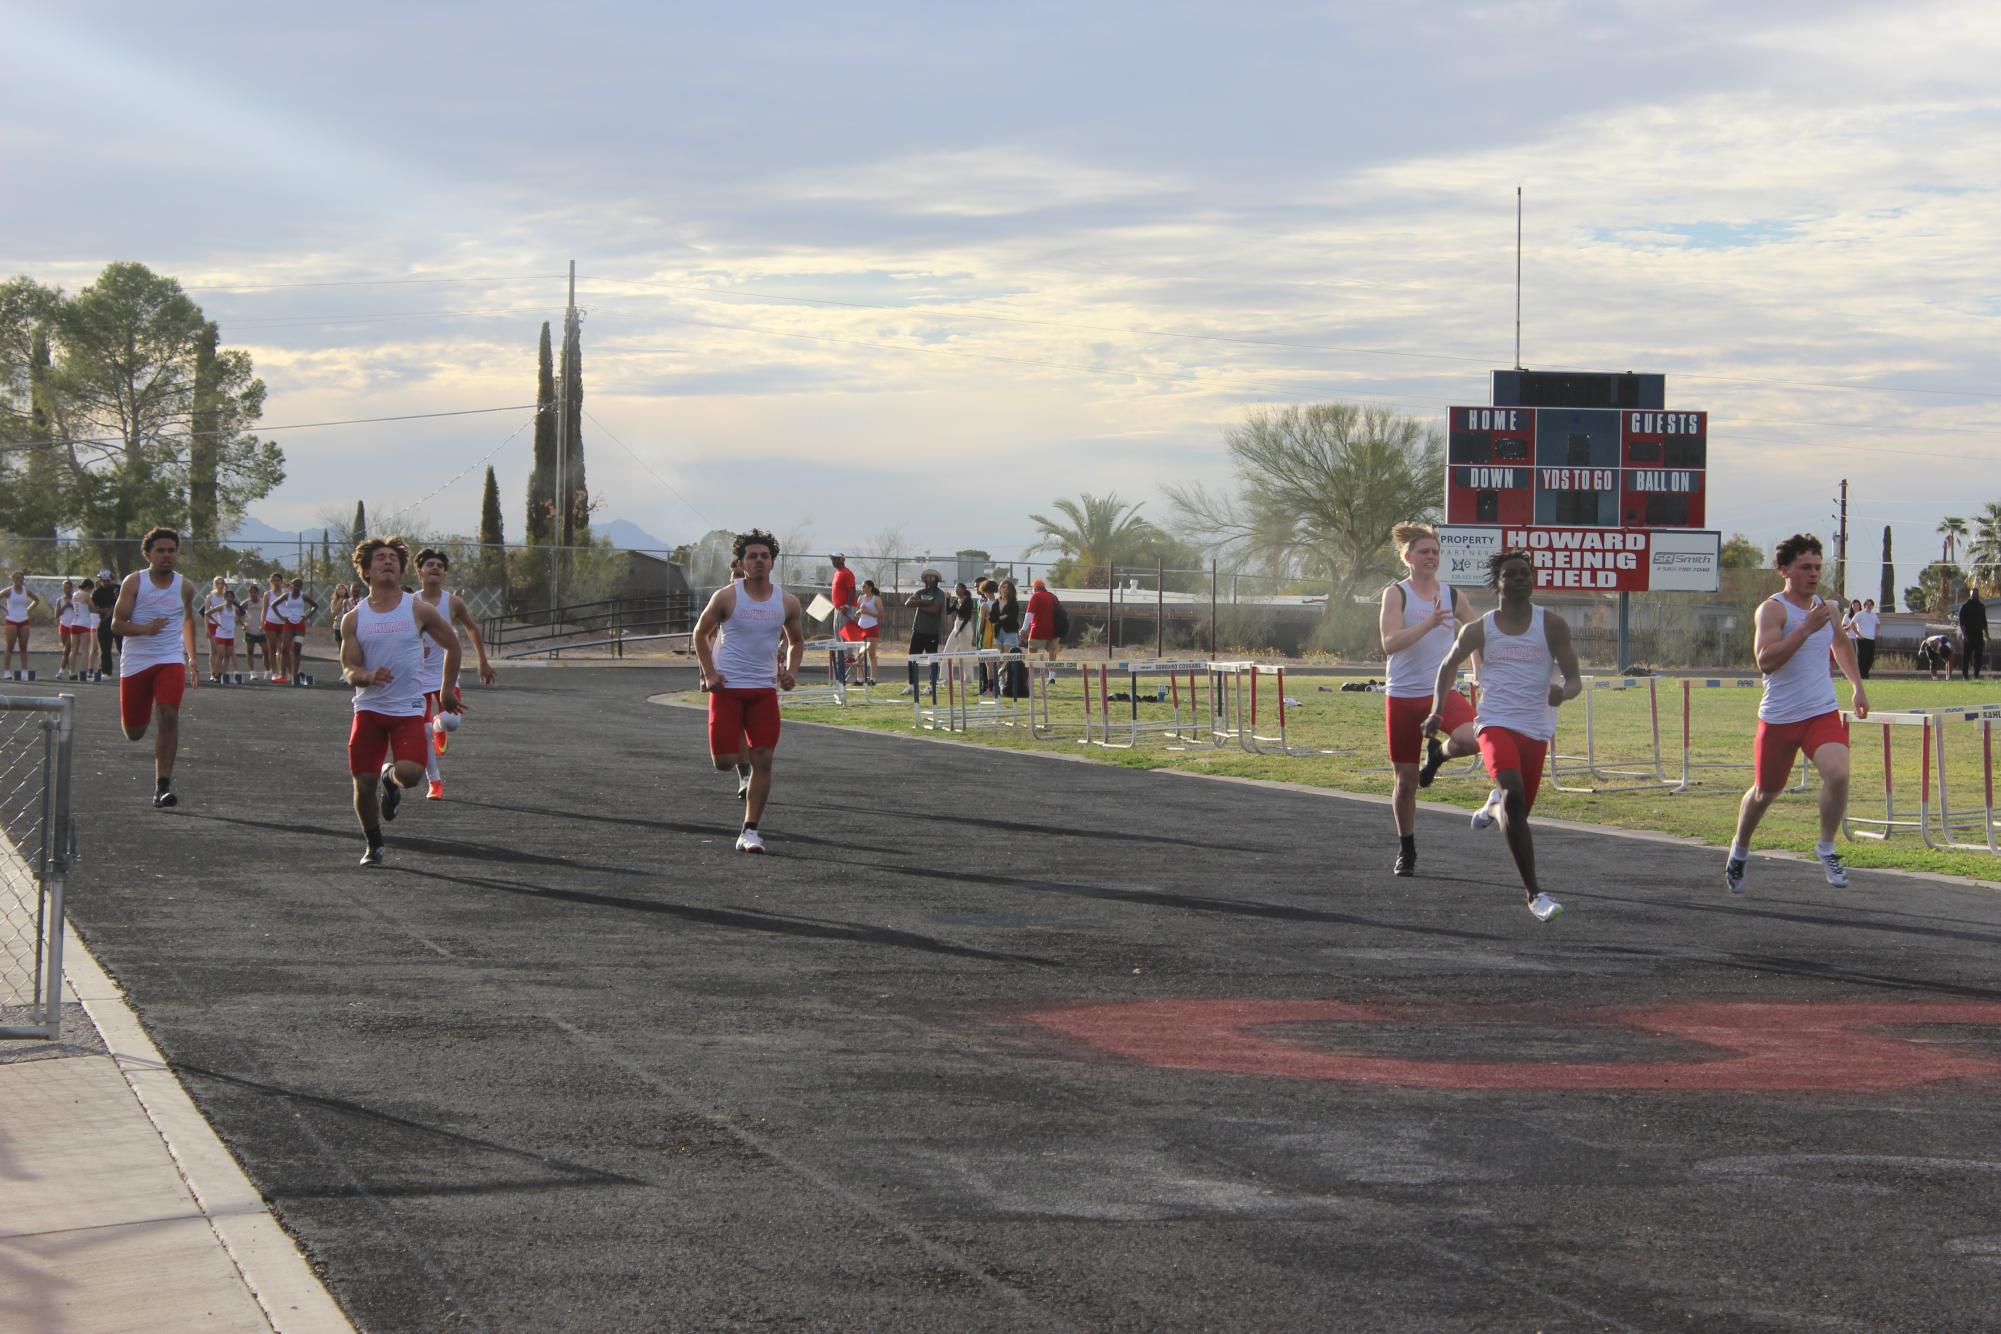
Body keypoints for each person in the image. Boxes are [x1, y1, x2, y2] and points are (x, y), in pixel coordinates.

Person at [1426, 549, 1582, 921]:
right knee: (1512, 790)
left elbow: (1574, 677)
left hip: (1536, 727)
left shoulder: (1553, 625)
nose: (1519, 580)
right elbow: (1448, 666)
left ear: (1534, 581)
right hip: (1494, 721)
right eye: (1510, 575)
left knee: (1518, 813)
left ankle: (1494, 806)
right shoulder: (1480, 628)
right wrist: (1437, 710)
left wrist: (1565, 692)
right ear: (1496, 584)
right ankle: (1535, 894)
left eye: (1525, 574)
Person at [1723, 534, 1870, 896]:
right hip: (1779, 718)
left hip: (1820, 712)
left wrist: (1857, 686)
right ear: (1784, 570)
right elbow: (1766, 661)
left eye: (1818, 567)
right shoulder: (1773, 610)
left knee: (1839, 773)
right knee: (1765, 792)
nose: (1813, 574)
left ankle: (1826, 845)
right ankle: (1740, 848)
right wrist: (1805, 628)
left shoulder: (1828, 608)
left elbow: (1840, 645)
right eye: (1805, 567)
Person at [340, 535, 462, 867]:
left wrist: (446, 690)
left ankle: (389, 778)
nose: (388, 561)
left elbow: (453, 645)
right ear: (366, 570)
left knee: (409, 775)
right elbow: (348, 668)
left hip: (407, 708)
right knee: (362, 784)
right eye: (380, 558)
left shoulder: (417, 609)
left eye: (393, 557)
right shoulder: (354, 618)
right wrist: (364, 676)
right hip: (368, 709)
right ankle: (373, 842)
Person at [693, 529, 804, 854]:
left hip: (763, 690)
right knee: (724, 761)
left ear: (772, 563)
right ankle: (738, 765)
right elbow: (701, 634)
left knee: (764, 759)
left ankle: (750, 831)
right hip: (727, 688)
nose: (759, 561)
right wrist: (709, 674)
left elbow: (797, 642)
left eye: (764, 556)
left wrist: (790, 673)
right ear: (742, 562)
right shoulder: (726, 597)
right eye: (752, 556)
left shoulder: (786, 601)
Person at [1379, 523, 1479, 877]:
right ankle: (1407, 848)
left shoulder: (1452, 596)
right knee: (1405, 783)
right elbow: (1389, 643)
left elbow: (1478, 634)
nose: (1431, 557)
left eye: (1435, 552)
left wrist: (1480, 674)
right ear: (1408, 557)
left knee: (1473, 738)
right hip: (1403, 696)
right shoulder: (1396, 594)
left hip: (1442, 693)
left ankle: (1438, 754)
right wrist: (1431, 623)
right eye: (1424, 552)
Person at [111, 527, 201, 808]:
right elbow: (116, 624)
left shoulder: (185, 586)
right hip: (137, 662)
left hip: (169, 659)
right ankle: (142, 711)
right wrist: (144, 629)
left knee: (168, 715)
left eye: (171, 550)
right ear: (148, 554)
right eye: (160, 551)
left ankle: (162, 786)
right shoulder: (134, 582)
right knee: (135, 732)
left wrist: (193, 657)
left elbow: (188, 621)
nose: (166, 556)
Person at [413, 548, 497, 799]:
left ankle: (439, 727)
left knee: (451, 722)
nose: (435, 568)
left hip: (445, 675)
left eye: (440, 565)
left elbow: (471, 629)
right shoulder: (411, 602)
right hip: (416, 676)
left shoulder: (453, 602)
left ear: (445, 573)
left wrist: (482, 661)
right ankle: (434, 782)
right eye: (430, 564)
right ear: (420, 571)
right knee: (422, 730)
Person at [904, 568, 948, 697]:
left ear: (937, 580)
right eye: (928, 578)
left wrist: (918, 604)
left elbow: (935, 609)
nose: (930, 580)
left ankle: (931, 686)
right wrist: (923, 602)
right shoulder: (920, 592)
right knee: (912, 657)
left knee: (932, 659)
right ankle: (911, 685)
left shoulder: (939, 594)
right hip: (917, 630)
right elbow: (908, 603)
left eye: (932, 578)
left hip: (931, 632)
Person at [3, 571, 47, 679]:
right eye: (16, 578)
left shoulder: (26, 591)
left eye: (21, 578)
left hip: (24, 620)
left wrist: (28, 609)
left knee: (23, 647)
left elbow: (36, 600)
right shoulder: (9, 591)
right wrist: (4, 609)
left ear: (23, 579)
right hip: (11, 620)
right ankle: (7, 672)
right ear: (13, 579)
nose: (19, 580)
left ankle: (24, 671)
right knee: (10, 647)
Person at [828, 552, 858, 684]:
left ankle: (849, 656)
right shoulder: (837, 573)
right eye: (832, 559)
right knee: (837, 631)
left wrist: (846, 605)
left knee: (844, 631)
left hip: (846, 607)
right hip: (838, 608)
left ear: (841, 560)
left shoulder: (847, 573)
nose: (832, 561)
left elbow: (852, 590)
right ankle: (842, 654)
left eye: (834, 559)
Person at [1024, 577, 1062, 680]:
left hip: (1037, 630)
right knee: (1052, 654)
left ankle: (1029, 677)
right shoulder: (1052, 596)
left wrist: (1023, 628)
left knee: (1032, 653)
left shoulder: (1036, 596)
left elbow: (1029, 614)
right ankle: (1052, 677)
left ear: (1035, 587)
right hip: (1053, 630)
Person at [283, 578, 320, 681]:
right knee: (284, 649)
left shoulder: (303, 596)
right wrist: (282, 616)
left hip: (299, 624)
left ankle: (295, 675)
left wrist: (307, 616)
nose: (297, 587)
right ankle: (289, 671)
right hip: (289, 623)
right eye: (295, 585)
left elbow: (315, 606)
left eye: (299, 585)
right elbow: (274, 605)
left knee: (297, 649)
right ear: (292, 585)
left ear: (301, 587)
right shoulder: (287, 596)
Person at [853, 579, 885, 685]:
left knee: (871, 654)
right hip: (861, 627)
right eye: (862, 586)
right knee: (860, 654)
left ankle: (873, 679)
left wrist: (868, 612)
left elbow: (881, 615)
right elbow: (857, 613)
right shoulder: (860, 598)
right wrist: (860, 611)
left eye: (864, 586)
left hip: (872, 627)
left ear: (870, 587)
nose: (862, 588)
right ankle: (859, 679)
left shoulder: (876, 599)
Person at [206, 585, 239, 682]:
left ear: (233, 598)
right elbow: (207, 613)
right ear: (225, 598)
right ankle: (215, 674)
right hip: (221, 634)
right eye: (228, 597)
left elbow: (238, 618)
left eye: (231, 597)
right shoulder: (221, 607)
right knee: (220, 655)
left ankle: (223, 674)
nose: (230, 599)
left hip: (230, 634)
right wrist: (215, 621)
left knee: (228, 655)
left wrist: (243, 624)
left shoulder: (234, 608)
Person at [262, 573, 292, 682]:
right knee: (272, 647)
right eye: (274, 580)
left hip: (283, 622)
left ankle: (286, 671)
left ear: (281, 581)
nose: (276, 582)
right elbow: (264, 609)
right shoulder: (268, 594)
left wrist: (288, 587)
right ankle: (274, 672)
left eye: (278, 580)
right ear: (271, 582)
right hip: (270, 622)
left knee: (284, 649)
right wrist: (262, 622)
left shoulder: (286, 593)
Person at [92, 568, 119, 677]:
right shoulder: (97, 592)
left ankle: (127, 670)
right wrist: (104, 610)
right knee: (105, 649)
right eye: (102, 580)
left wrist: (114, 609)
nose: (104, 582)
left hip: (119, 622)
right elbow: (93, 608)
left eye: (106, 580)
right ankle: (106, 672)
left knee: (122, 647)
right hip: (104, 623)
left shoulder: (118, 589)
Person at [1959, 589, 1989, 680]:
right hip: (1968, 634)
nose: (1975, 595)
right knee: (1967, 656)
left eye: (1977, 594)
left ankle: (1976, 675)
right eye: (1973, 594)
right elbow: (1962, 623)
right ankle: (1965, 675)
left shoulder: (1981, 606)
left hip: (1979, 635)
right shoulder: (1965, 606)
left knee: (1978, 656)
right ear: (1970, 594)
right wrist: (1964, 635)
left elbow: (1984, 622)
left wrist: (1987, 634)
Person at [241, 582, 269, 677]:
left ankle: (267, 671)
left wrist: (265, 624)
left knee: (266, 651)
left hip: (262, 630)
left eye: (254, 592)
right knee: (250, 651)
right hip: (250, 630)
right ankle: (252, 672)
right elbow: (236, 613)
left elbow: (268, 613)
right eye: (250, 592)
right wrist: (243, 624)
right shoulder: (246, 603)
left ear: (257, 592)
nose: (252, 594)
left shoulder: (263, 602)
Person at [942, 581, 977, 654]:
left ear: (963, 589)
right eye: (955, 589)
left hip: (965, 626)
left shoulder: (968, 600)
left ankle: (967, 666)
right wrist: (948, 599)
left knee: (965, 652)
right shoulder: (956, 600)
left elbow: (967, 618)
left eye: (958, 588)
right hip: (957, 626)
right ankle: (945, 665)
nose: (956, 590)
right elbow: (948, 611)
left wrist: (959, 631)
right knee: (948, 649)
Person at [1853, 598, 1880, 679]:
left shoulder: (1874, 615)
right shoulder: (1859, 614)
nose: (1869, 606)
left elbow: (1878, 624)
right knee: (1861, 658)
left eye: (1870, 604)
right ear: (1864, 605)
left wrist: (1877, 632)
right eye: (1867, 604)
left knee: (1870, 658)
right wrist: (1858, 634)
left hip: (1871, 639)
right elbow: (1852, 624)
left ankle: (1865, 673)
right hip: (1861, 639)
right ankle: (1862, 676)